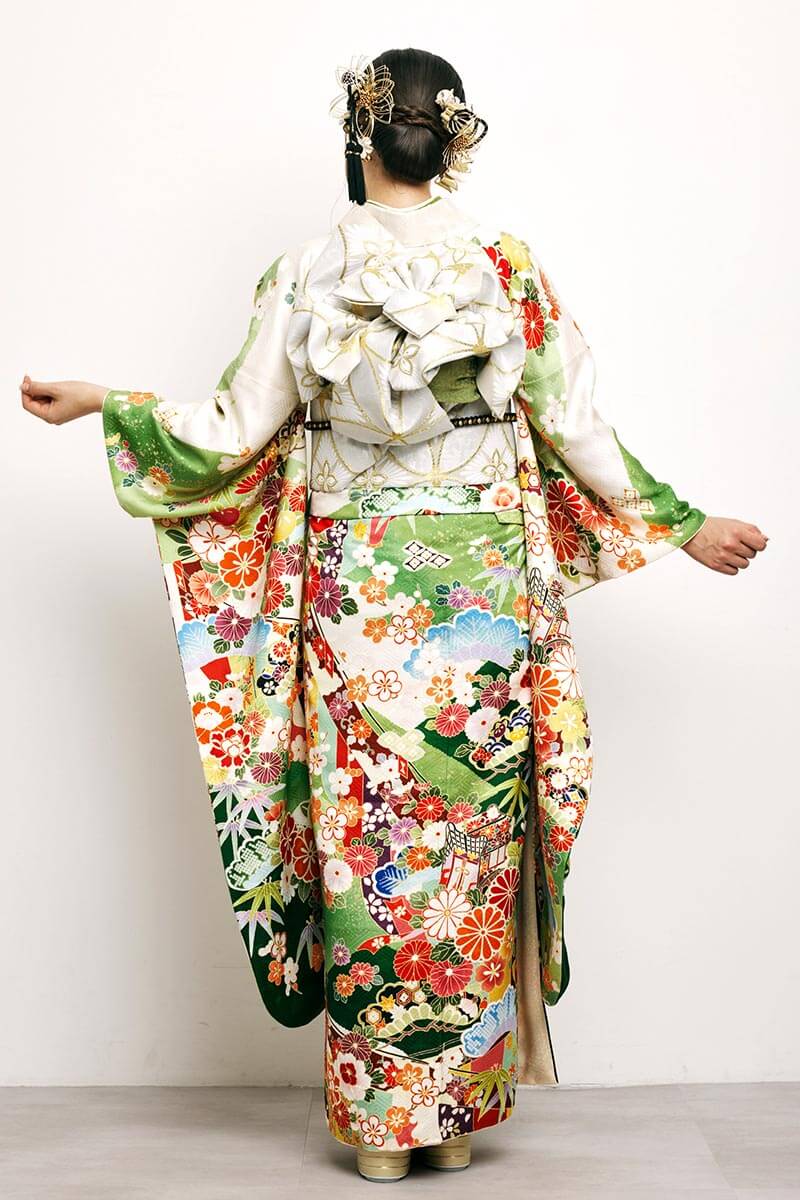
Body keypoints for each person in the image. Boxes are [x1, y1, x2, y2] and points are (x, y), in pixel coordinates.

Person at [21, 47, 767, 1185]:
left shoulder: (307, 268)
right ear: (453, 142)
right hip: (479, 605)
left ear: (359, 134)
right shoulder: (505, 266)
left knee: (369, 844)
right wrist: (686, 523)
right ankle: (454, 1117)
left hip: (357, 603)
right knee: (463, 844)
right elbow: (577, 428)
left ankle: (381, 1128)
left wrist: (105, 405)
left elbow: (230, 433)